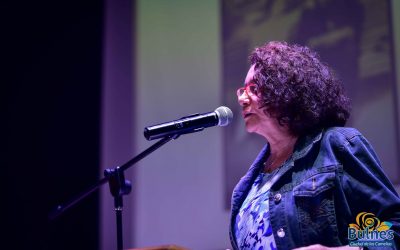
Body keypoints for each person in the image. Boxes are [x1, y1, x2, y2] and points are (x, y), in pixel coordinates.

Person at [230, 41, 400, 250]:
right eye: (242, 91)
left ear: (284, 91)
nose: (242, 99)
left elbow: (394, 228)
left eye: (253, 88)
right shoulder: (247, 186)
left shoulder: (337, 146)